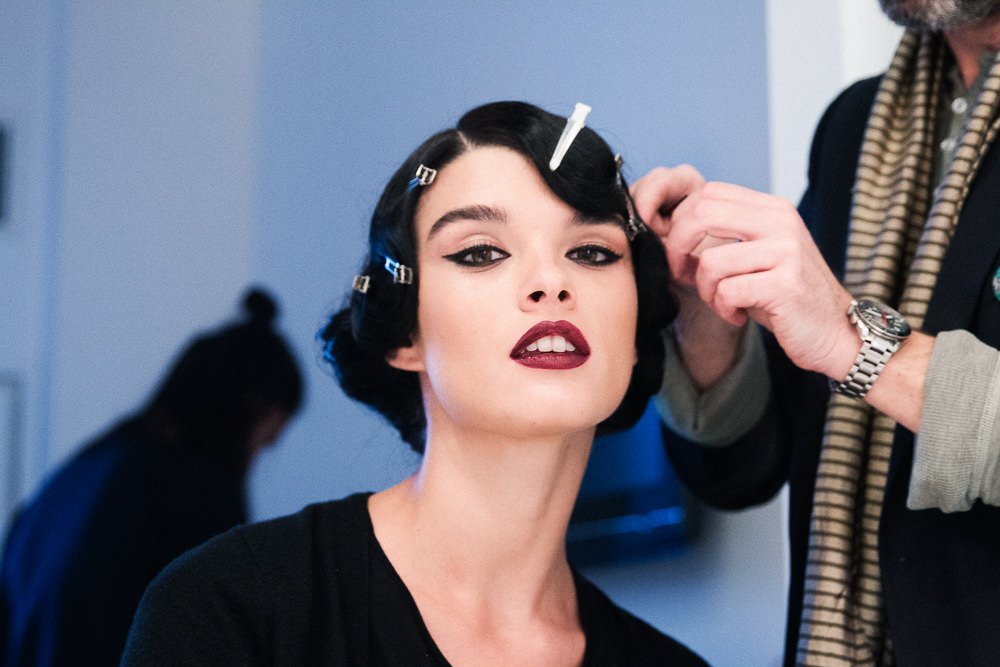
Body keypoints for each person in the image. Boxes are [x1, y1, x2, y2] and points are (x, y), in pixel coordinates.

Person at [121, 101, 708, 666]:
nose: (551, 282)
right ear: (405, 334)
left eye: (591, 252)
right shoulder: (230, 609)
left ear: (636, 330)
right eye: (481, 252)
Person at [633, 1, 1000, 665]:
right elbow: (752, 462)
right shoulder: (857, 125)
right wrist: (703, 307)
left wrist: (855, 340)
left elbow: (838, 340)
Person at [0, 287, 304, 667]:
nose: (262, 453)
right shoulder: (194, 491)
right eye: (266, 438)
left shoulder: (88, 468)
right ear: (249, 414)